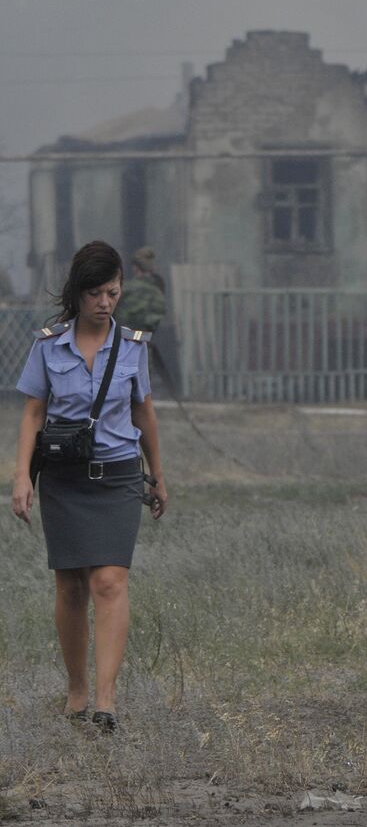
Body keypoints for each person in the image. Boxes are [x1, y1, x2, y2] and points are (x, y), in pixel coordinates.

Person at [10, 241, 169, 732]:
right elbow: (33, 412)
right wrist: (20, 477)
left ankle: (106, 700)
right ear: (77, 295)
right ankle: (76, 687)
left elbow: (143, 410)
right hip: (63, 479)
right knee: (71, 586)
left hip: (118, 475)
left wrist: (158, 474)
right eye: (95, 293)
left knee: (108, 581)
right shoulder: (47, 345)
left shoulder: (134, 346)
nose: (105, 302)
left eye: (112, 292)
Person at [120, 246, 166, 335]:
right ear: (152, 268)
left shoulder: (124, 289)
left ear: (135, 267)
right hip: (143, 343)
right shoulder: (158, 294)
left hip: (123, 343)